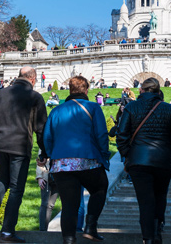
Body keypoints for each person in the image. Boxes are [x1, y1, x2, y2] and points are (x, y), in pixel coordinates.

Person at [0, 66, 48, 243]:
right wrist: (44, 153)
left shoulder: (0, 94)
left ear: (19, 76)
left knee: (3, 179)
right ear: (33, 79)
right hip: (20, 145)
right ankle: (8, 231)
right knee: (16, 189)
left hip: (0, 144)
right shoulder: (35, 97)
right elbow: (41, 128)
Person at [43, 76, 110, 244]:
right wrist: (103, 155)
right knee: (100, 189)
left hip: (61, 164)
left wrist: (54, 155)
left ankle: (69, 240)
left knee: (69, 205)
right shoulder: (94, 107)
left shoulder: (56, 110)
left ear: (70, 90)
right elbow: (102, 135)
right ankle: (90, 227)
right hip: (88, 160)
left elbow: (47, 138)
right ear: (86, 90)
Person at [116, 77, 171, 244]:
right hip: (163, 161)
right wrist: (170, 153)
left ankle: (148, 237)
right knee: (160, 196)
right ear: (158, 90)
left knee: (145, 200)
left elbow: (121, 135)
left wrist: (128, 154)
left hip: (138, 161)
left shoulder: (131, 107)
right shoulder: (169, 109)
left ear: (142, 90)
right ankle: (157, 230)